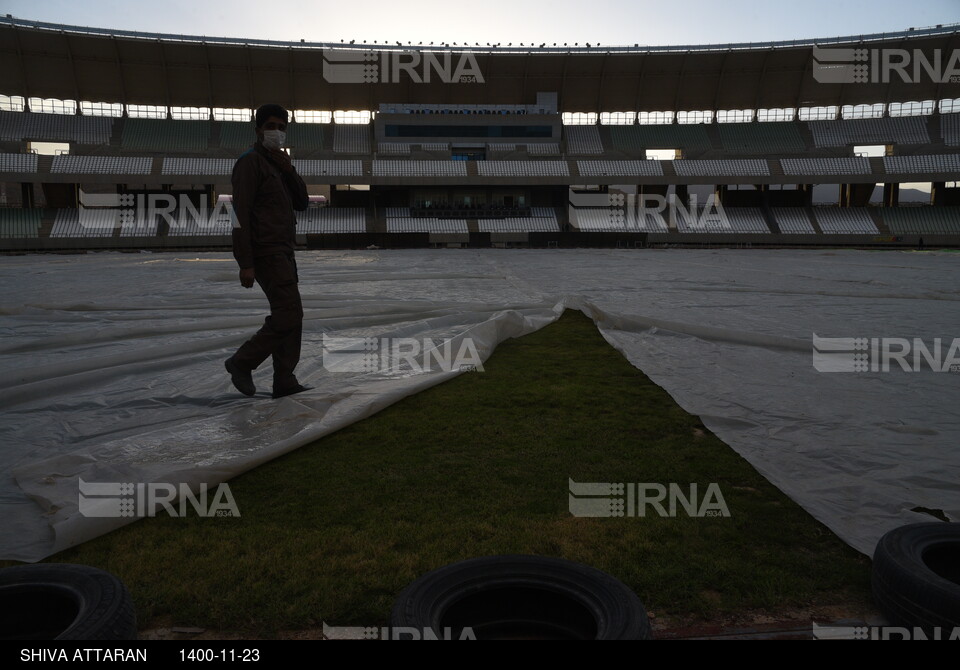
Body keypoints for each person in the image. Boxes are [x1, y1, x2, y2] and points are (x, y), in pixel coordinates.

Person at [224, 104, 310, 399]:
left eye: (282, 127)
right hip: (265, 252)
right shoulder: (250, 163)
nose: (277, 132)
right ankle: (241, 362)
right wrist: (245, 262)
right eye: (271, 126)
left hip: (283, 250)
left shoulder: (278, 164)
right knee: (289, 314)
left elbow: (302, 202)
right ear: (258, 129)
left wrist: (289, 170)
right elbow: (239, 214)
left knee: (292, 316)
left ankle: (284, 380)